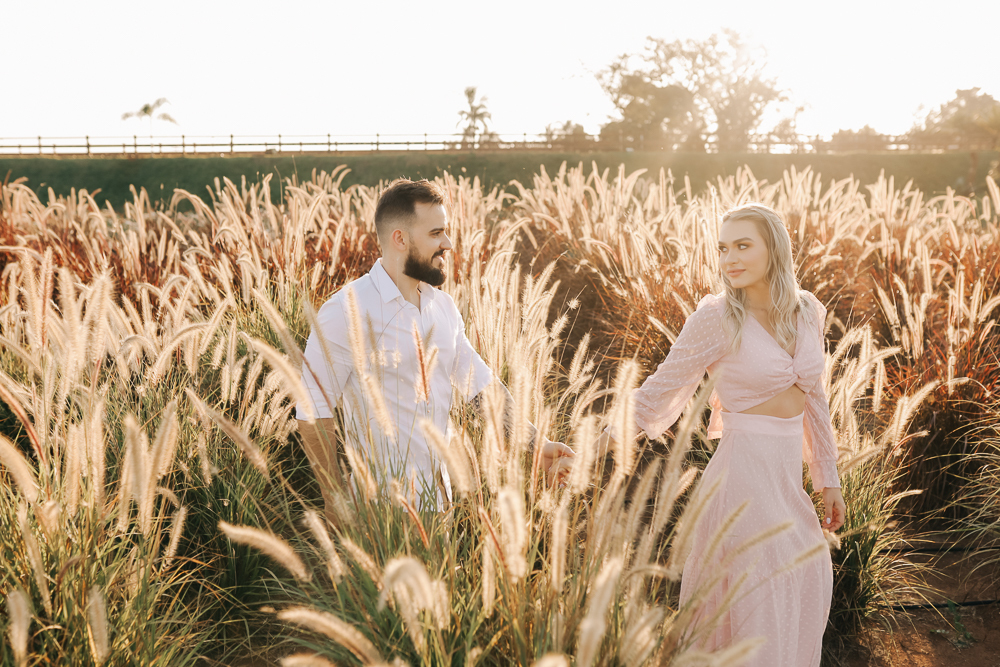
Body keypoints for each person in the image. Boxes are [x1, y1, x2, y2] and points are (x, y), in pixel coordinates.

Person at [597, 202, 846, 666]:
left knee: (809, 575)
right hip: (743, 478)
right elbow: (657, 394)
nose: (729, 257)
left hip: (787, 476)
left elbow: (816, 398)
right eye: (723, 248)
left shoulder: (808, 309)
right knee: (759, 596)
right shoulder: (716, 317)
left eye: (743, 245)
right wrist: (599, 443)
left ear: (775, 247)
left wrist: (827, 477)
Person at [296, 178, 573, 518]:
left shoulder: (443, 308)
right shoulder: (345, 311)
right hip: (380, 515)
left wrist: (535, 444)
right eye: (436, 233)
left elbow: (481, 388)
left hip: (439, 507)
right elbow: (312, 410)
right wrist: (334, 498)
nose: (448, 243)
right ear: (400, 238)